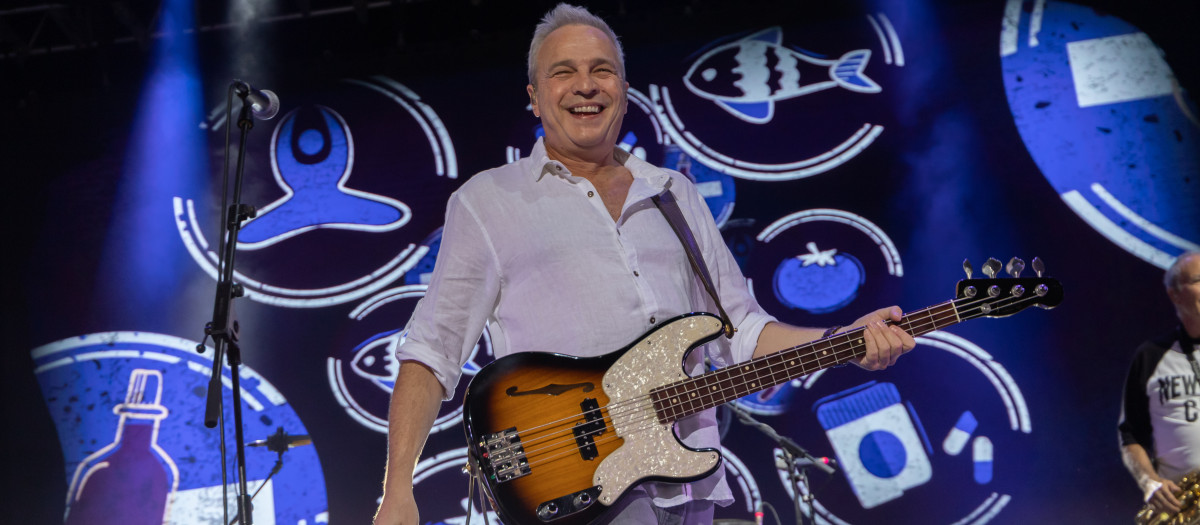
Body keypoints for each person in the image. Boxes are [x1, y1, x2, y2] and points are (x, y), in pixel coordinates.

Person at [373, 4, 915, 524]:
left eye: (601, 71)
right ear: (535, 98)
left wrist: (843, 338)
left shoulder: (674, 193)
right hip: (574, 493)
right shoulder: (488, 201)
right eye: (564, 73)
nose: (586, 86)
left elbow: (743, 332)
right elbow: (432, 351)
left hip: (691, 483)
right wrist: (397, 493)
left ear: (625, 93)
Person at [1120, 251, 1200, 516]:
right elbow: (1130, 435)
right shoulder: (1151, 355)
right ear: (1174, 294)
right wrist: (1149, 481)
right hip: (1184, 508)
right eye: (1199, 280)